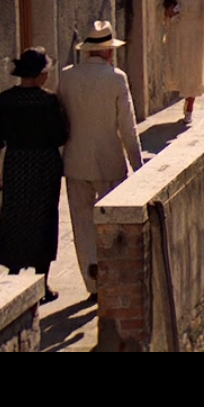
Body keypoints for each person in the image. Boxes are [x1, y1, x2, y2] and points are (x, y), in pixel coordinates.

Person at [56, 21, 144, 299]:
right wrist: (138, 165)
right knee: (112, 223)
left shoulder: (67, 77)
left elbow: (61, 121)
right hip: (109, 162)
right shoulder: (116, 78)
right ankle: (110, 279)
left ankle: (93, 282)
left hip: (76, 161)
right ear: (109, 52)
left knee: (82, 225)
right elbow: (127, 127)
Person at [0, 48, 70, 304]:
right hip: (44, 166)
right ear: (39, 74)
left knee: (15, 215)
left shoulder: (5, 99)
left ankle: (12, 274)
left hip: (17, 164)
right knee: (44, 219)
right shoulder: (49, 101)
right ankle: (42, 282)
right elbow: (61, 136)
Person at [163, 0, 204, 125]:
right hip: (177, 33)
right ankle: (184, 99)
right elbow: (159, 6)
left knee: (194, 69)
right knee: (179, 67)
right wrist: (167, 11)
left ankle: (190, 105)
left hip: (197, 33)